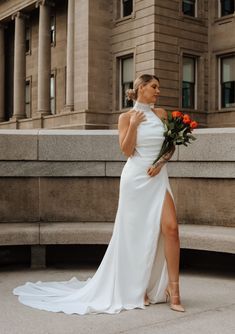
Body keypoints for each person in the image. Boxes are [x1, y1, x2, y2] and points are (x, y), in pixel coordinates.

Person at [13, 74, 185, 314]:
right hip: (134, 179)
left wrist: (161, 163)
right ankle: (139, 288)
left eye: (158, 87)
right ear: (141, 88)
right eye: (154, 87)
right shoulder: (125, 118)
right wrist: (134, 125)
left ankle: (173, 290)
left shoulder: (162, 114)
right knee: (135, 235)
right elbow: (126, 150)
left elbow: (171, 146)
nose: (158, 91)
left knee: (171, 229)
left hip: (158, 177)